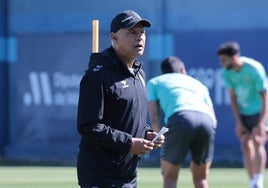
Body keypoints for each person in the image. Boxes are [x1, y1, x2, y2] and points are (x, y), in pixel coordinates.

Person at [76, 10, 164, 188]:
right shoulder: (98, 75)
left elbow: (127, 117)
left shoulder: (139, 74)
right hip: (101, 176)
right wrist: (130, 143)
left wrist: (146, 133)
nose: (139, 37)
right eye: (132, 32)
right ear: (114, 38)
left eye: (142, 32)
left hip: (128, 174)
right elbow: (89, 126)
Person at [147, 56, 217, 188]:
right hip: (206, 121)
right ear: (183, 70)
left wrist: (158, 138)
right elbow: (213, 119)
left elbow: (154, 116)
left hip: (180, 119)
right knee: (201, 178)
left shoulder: (155, 82)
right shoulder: (198, 84)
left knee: (169, 177)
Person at [217, 41, 267, 188]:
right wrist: (238, 122)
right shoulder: (226, 72)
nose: (221, 63)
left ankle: (259, 179)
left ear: (234, 57)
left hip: (261, 111)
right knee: (245, 143)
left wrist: (262, 123)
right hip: (244, 113)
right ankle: (252, 182)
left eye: (224, 60)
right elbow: (232, 98)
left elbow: (265, 97)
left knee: (258, 142)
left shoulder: (254, 69)